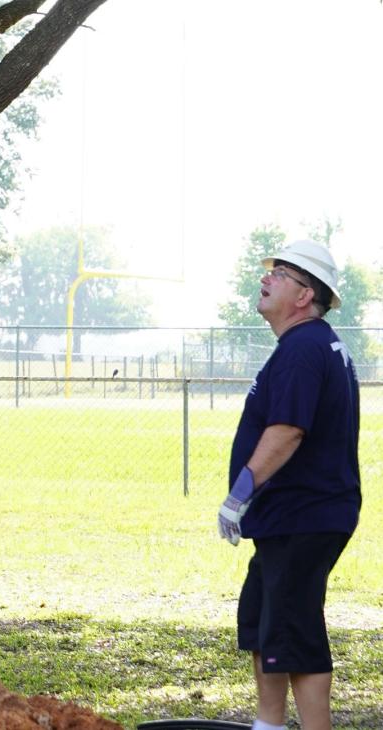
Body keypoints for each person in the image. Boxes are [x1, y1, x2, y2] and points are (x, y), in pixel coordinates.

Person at [215, 240, 360, 730]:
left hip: (306, 516)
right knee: (263, 622)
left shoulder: (303, 348)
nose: (266, 277)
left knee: (296, 634)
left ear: (304, 295)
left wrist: (240, 494)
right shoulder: (307, 344)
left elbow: (287, 431)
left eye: (280, 273)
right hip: (289, 519)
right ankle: (268, 724)